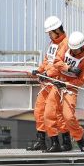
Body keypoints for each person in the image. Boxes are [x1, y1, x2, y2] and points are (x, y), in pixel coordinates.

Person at [44, 31, 84, 152]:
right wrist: (68, 68)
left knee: (68, 116)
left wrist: (67, 84)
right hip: (57, 84)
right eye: (71, 49)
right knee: (48, 113)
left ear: (82, 47)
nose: (72, 52)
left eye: (75, 50)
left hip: (70, 89)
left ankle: (80, 140)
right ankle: (54, 142)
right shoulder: (67, 47)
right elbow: (56, 61)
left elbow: (82, 81)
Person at [27, 16, 68, 151]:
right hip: (47, 83)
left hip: (57, 83)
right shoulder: (53, 43)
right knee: (39, 111)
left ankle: (59, 143)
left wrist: (47, 74)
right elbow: (47, 60)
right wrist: (39, 70)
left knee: (52, 114)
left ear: (57, 30)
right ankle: (41, 141)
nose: (49, 35)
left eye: (50, 32)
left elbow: (60, 65)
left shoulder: (66, 44)